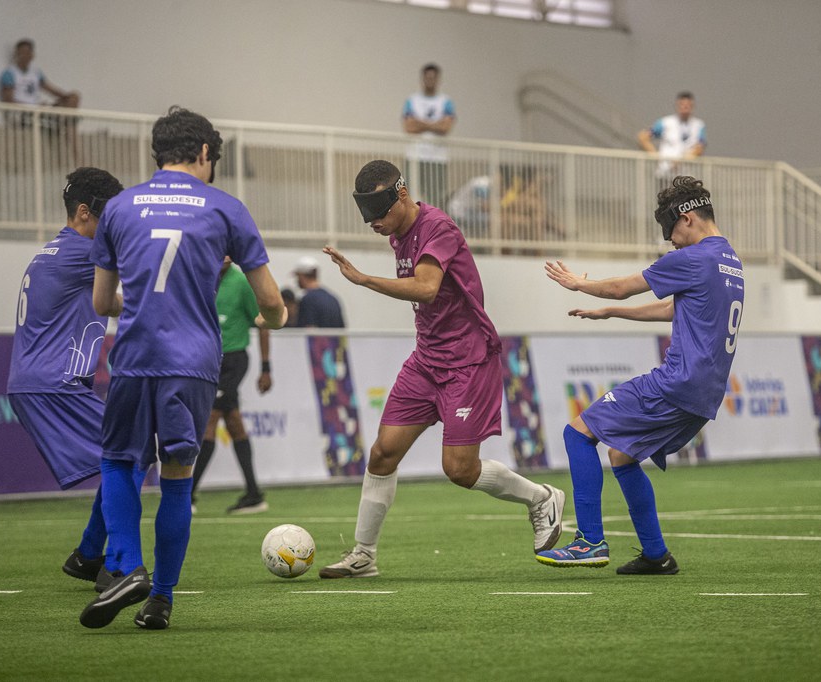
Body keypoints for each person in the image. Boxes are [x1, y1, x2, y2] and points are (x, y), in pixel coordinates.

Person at [80, 106, 286, 630]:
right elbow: (273, 303)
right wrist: (274, 319)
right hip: (194, 364)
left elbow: (103, 302)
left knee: (119, 462)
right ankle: (161, 601)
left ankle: (126, 565)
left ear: (157, 154)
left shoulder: (120, 209)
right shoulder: (226, 209)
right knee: (177, 477)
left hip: (133, 360)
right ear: (202, 154)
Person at [318, 159, 565, 578]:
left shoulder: (439, 228)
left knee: (460, 470)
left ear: (401, 195)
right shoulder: (398, 234)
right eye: (367, 216)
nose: (373, 223)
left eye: (379, 214)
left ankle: (541, 497)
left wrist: (363, 280)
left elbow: (427, 288)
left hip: (468, 362)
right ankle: (364, 555)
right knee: (382, 453)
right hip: (426, 360)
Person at [537, 175, 743, 574]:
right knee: (622, 455)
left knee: (577, 433)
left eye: (670, 230)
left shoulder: (692, 258)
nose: (670, 241)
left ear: (687, 218)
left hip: (678, 381)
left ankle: (589, 542)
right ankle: (656, 555)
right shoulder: (729, 260)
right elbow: (674, 310)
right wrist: (611, 313)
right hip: (706, 393)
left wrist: (580, 284)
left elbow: (621, 287)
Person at [6, 166, 146, 592]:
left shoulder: (57, 251)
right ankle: (115, 564)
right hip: (53, 384)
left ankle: (89, 555)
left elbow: (115, 302)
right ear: (84, 213)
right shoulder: (83, 254)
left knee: (126, 455)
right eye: (110, 217)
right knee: (132, 454)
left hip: (43, 382)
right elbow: (148, 274)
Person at [191, 257, 273, 514]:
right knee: (235, 424)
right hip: (209, 362)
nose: (224, 257)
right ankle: (253, 494)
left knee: (209, 420)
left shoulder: (241, 282)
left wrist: (266, 366)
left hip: (234, 361)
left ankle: (187, 495)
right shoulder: (203, 276)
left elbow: (263, 322)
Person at [402, 63, 455, 209]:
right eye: (427, 78)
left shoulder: (446, 102)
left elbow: (446, 127)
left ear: (438, 79)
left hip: (437, 158)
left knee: (436, 199)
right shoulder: (412, 101)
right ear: (422, 79)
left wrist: (420, 123)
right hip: (414, 156)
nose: (430, 81)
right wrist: (434, 124)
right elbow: (409, 127)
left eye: (433, 78)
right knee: (409, 197)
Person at [637, 92, 707, 178]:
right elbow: (643, 136)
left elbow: (700, 147)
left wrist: (681, 160)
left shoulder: (699, 125)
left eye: (688, 105)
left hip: (686, 175)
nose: (685, 107)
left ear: (693, 106)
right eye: (682, 104)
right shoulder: (665, 122)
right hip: (665, 173)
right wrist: (655, 156)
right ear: (677, 105)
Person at [293, 255, 345, 328]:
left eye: (297, 276)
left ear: (302, 276)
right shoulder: (333, 299)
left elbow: (309, 330)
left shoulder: (307, 300)